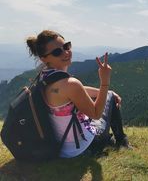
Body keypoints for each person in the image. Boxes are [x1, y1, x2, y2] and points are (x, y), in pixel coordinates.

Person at [26, 30, 131, 158]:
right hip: (84, 146)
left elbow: (77, 91)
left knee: (108, 94)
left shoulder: (44, 76)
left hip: (63, 147)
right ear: (44, 58)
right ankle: (122, 141)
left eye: (66, 46)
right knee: (109, 97)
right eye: (57, 52)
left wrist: (102, 92)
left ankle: (112, 140)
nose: (66, 52)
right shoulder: (70, 84)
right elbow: (96, 114)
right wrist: (105, 83)